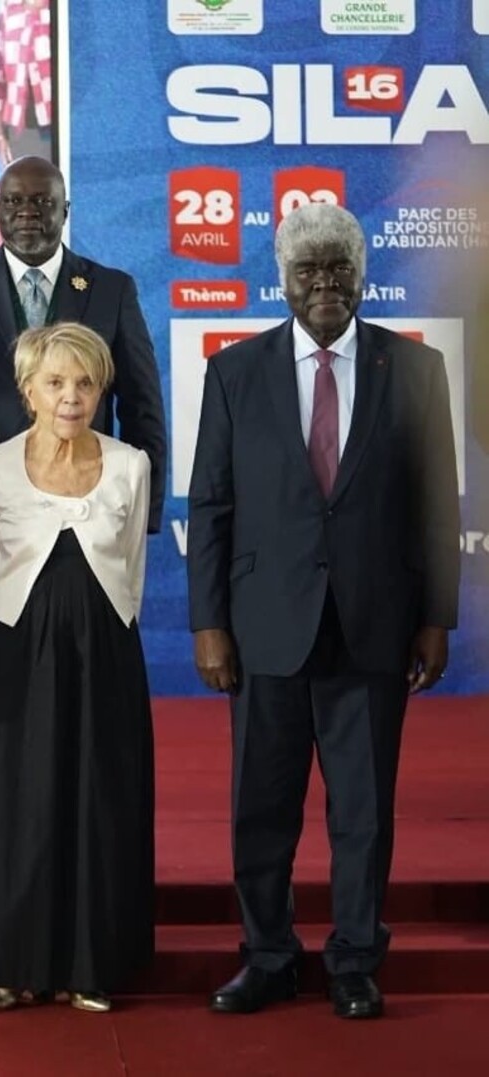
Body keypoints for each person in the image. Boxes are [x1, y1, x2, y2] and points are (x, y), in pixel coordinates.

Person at [190, 205, 460, 1021]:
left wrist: (434, 617)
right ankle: (267, 955)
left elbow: (433, 506)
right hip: (263, 624)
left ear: (360, 274)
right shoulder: (233, 370)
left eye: (337, 268)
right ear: (283, 279)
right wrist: (208, 621)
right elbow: (210, 504)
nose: (323, 284)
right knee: (260, 808)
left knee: (363, 811)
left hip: (372, 624)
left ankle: (352, 960)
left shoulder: (413, 371)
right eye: (307, 270)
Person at [0, 155, 166, 884]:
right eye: (13, 201)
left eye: (41, 201)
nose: (27, 212)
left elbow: (144, 407)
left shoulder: (108, 289)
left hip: (88, 526)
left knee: (87, 696)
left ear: (64, 209)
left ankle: (78, 833)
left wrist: (135, 518)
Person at [0, 323, 154, 1014]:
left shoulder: (131, 464)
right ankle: (8, 963)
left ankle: (90, 962)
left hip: (104, 655)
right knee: (16, 803)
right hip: (12, 655)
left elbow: (130, 565)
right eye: (55, 382)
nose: (70, 397)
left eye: (85, 383)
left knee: (96, 798)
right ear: (27, 390)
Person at [0, 0, 53, 162]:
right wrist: (0, 136)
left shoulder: (58, 11)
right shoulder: (8, 12)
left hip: (56, 127)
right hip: (20, 131)